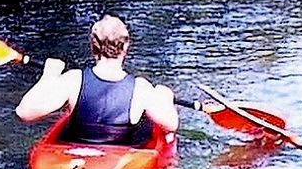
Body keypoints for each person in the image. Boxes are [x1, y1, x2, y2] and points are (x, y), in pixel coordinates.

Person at [14, 14, 179, 145]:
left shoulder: (73, 80)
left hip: (76, 155)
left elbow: (24, 112)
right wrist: (164, 97)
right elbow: (171, 125)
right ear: (126, 46)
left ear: (93, 45)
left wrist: (49, 76)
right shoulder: (141, 88)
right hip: (120, 165)